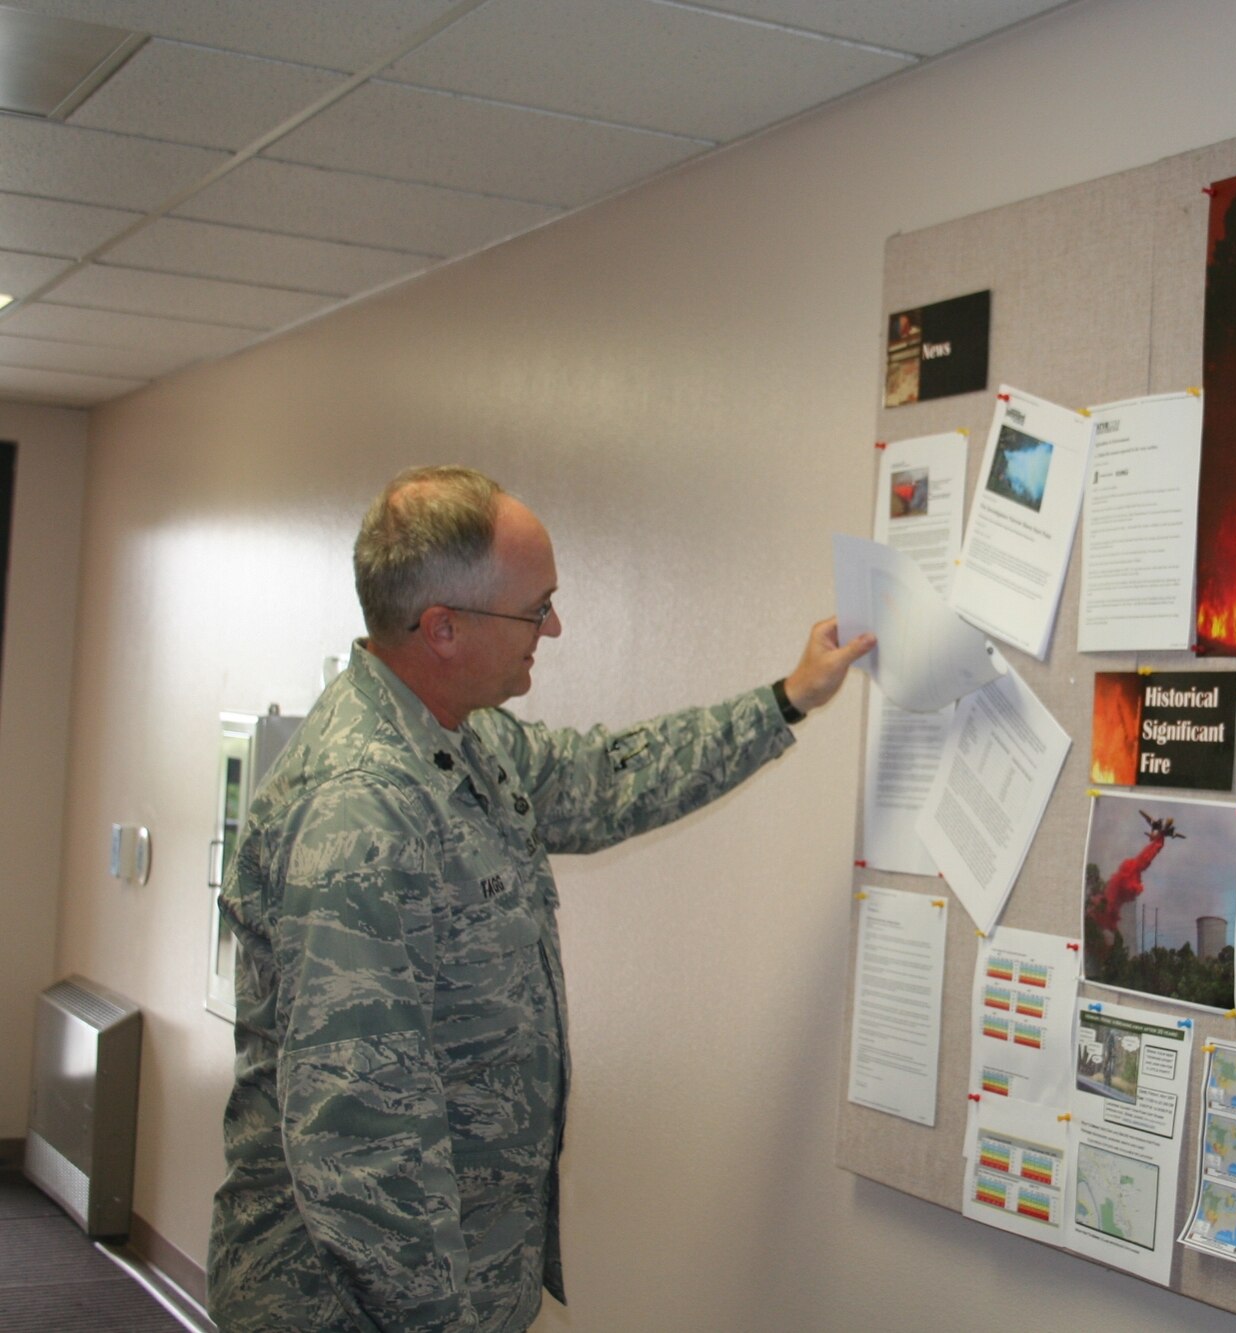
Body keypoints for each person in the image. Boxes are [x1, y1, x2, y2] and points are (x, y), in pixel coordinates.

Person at [207, 466, 871, 1331]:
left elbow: (607, 778)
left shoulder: (462, 737)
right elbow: (360, 1138)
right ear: (442, 628)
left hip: (457, 1279)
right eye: (536, 607)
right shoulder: (361, 811)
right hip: (351, 1304)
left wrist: (787, 700)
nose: (553, 627)